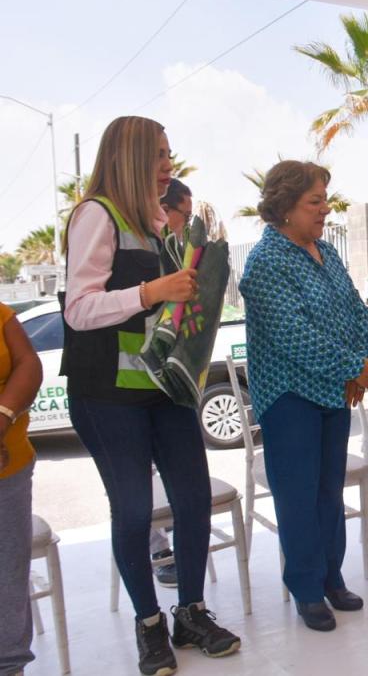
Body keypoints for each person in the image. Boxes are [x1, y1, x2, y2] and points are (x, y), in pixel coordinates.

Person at [61, 116, 240, 675]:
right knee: (135, 510)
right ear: (131, 156)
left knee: (193, 499)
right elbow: (78, 309)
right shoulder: (96, 215)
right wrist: (151, 291)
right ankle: (148, 624)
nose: (169, 164)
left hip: (165, 387)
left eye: (169, 153)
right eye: (160, 154)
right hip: (107, 394)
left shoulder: (162, 223)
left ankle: (191, 612)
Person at [239, 160, 368, 632]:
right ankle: (306, 589)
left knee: (328, 490)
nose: (325, 210)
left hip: (333, 390)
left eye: (325, 200)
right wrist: (354, 367)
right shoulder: (266, 262)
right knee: (298, 496)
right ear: (285, 206)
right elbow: (293, 334)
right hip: (290, 397)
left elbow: (355, 310)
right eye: (315, 202)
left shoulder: (326, 251)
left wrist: (359, 364)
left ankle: (331, 578)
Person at [149, 177, 194, 590]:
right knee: (140, 482)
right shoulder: (148, 254)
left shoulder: (178, 254)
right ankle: (158, 549)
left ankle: (186, 558)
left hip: (173, 385)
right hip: (136, 386)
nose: (188, 224)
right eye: (186, 215)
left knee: (187, 486)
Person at [0, 302, 43, 676]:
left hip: (9, 469)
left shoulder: (2, 316)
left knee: (8, 580)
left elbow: (28, 364)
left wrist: (2, 418)